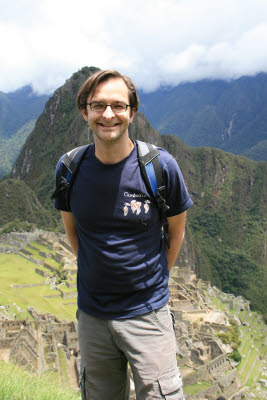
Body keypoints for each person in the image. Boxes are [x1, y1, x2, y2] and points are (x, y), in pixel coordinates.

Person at [54, 69, 193, 400]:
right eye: (98, 105)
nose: (108, 114)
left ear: (132, 111)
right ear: (85, 112)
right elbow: (75, 234)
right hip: (93, 317)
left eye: (118, 105)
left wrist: (152, 280)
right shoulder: (69, 168)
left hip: (148, 315)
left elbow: (177, 235)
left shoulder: (161, 168)